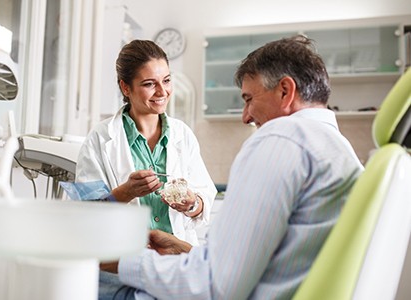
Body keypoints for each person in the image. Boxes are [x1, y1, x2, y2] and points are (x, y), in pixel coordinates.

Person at [98, 35, 364, 299]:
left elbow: (214, 285)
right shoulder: (338, 148)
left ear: (285, 91)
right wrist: (184, 250)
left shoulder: (280, 139)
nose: (245, 116)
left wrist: (123, 262)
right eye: (149, 84)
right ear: (126, 88)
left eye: (249, 99)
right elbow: (257, 263)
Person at [75, 39, 217, 246]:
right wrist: (126, 191)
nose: (162, 92)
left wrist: (192, 203)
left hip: (177, 260)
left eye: (167, 80)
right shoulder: (100, 138)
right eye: (149, 84)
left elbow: (205, 199)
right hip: (123, 259)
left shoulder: (182, 135)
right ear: (126, 88)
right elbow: (85, 213)